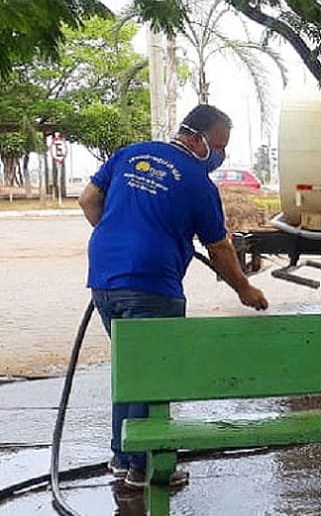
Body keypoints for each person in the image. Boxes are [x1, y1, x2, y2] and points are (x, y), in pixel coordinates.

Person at [78, 105, 269, 489]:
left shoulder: (130, 154)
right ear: (197, 139)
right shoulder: (198, 184)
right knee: (153, 375)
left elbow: (87, 200)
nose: (220, 155)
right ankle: (143, 465)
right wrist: (245, 289)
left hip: (103, 278)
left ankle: (122, 456)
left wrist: (120, 235)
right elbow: (219, 248)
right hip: (152, 284)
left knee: (131, 369)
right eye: (218, 145)